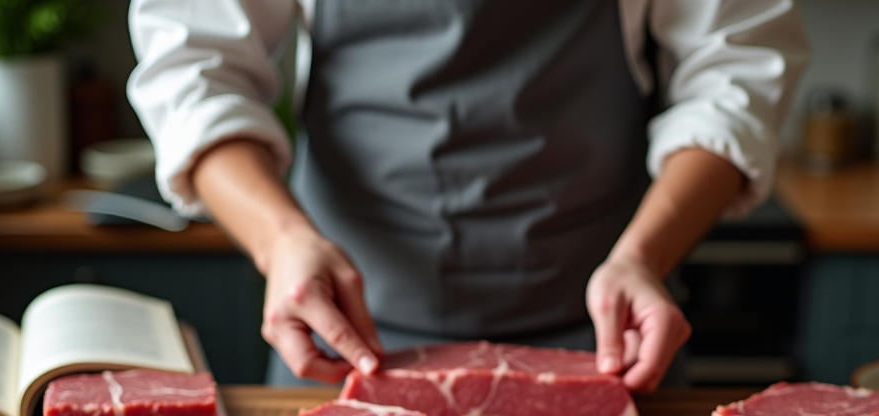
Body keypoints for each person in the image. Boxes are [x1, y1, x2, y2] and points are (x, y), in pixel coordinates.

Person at [128, 0, 808, 390]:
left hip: (604, 341)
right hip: (345, 338)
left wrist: (643, 256)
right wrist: (281, 242)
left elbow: (733, 77)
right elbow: (194, 72)